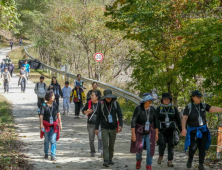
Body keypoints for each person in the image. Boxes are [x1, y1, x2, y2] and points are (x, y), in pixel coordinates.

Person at [181, 90, 222, 170]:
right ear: (193, 97)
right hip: (193, 131)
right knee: (193, 148)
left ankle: (201, 165)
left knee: (202, 148)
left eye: (200, 97)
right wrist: (183, 129)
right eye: (198, 97)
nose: (200, 98)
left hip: (203, 130)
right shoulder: (188, 107)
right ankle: (190, 159)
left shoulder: (203, 105)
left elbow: (212, 109)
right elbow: (184, 118)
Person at [130, 93, 159, 170]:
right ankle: (138, 160)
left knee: (150, 150)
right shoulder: (138, 109)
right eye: (149, 101)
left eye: (151, 101)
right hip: (139, 131)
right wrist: (133, 134)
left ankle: (149, 165)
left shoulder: (152, 109)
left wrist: (156, 133)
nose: (150, 102)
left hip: (150, 132)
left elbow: (156, 121)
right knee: (139, 149)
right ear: (145, 101)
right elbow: (133, 122)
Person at [95, 89, 123, 167]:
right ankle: (106, 160)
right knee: (105, 144)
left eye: (110, 97)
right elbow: (98, 117)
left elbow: (120, 114)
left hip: (113, 128)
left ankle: (110, 159)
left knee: (111, 145)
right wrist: (96, 128)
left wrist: (120, 124)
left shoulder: (115, 104)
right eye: (107, 97)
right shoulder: (101, 105)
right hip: (104, 127)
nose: (108, 99)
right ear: (104, 98)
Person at [156, 93, 182, 167]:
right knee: (162, 145)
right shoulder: (159, 109)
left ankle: (170, 161)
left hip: (172, 131)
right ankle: (161, 156)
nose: (166, 100)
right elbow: (155, 120)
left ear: (170, 100)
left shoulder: (174, 108)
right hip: (162, 131)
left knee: (171, 146)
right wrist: (156, 131)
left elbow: (178, 120)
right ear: (162, 100)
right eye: (165, 99)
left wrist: (181, 130)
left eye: (168, 99)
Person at [39, 91, 62, 161]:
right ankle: (46, 153)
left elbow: (58, 114)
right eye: (53, 96)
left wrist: (60, 123)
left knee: (53, 140)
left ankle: (53, 155)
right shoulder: (43, 105)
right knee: (46, 141)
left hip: (54, 126)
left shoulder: (55, 105)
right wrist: (41, 124)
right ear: (49, 97)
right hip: (46, 126)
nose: (54, 97)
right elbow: (41, 116)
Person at [82, 91, 103, 157]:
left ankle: (102, 151)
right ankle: (92, 151)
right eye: (91, 95)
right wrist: (87, 111)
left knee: (100, 138)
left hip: (99, 124)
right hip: (91, 123)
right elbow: (83, 111)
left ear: (97, 97)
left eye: (93, 95)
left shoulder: (100, 104)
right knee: (91, 138)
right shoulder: (89, 103)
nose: (91, 96)